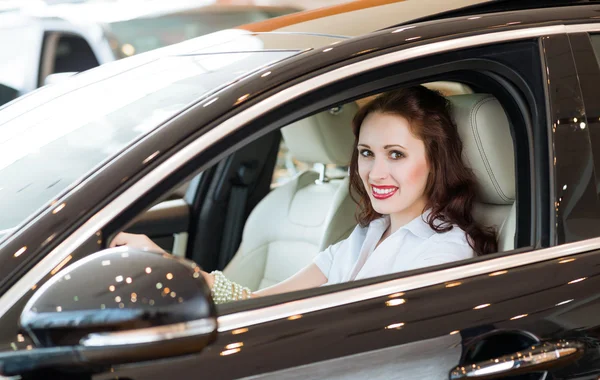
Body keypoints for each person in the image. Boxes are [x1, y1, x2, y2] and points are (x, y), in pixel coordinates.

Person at [110, 86, 498, 303]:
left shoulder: (445, 252)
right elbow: (258, 305)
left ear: (434, 160)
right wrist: (171, 269)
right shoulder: (366, 235)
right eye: (366, 153)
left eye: (395, 155)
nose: (375, 173)